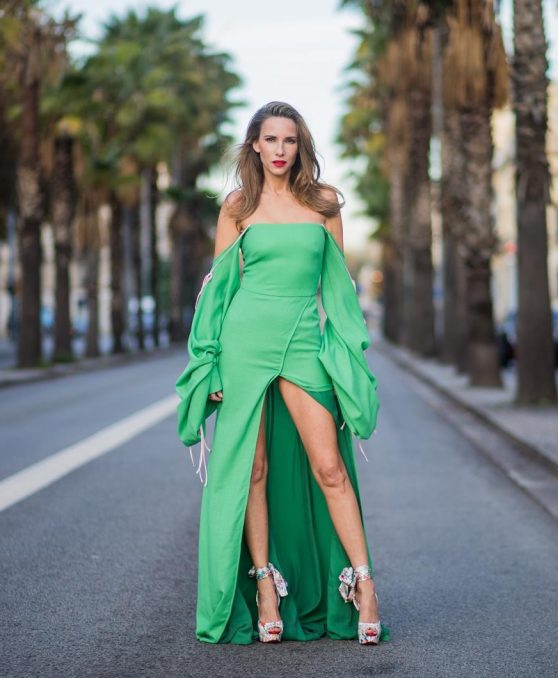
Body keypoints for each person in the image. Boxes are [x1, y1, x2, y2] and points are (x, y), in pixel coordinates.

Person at [175, 101, 387, 645]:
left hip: (303, 342)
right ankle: (266, 585)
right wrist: (213, 360)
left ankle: (364, 584)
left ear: (300, 147)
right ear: (254, 145)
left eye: (289, 141)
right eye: (270, 140)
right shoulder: (238, 207)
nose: (279, 150)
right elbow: (217, 293)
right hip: (245, 343)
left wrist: (344, 360)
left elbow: (339, 294)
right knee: (253, 470)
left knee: (329, 467)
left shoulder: (324, 204)